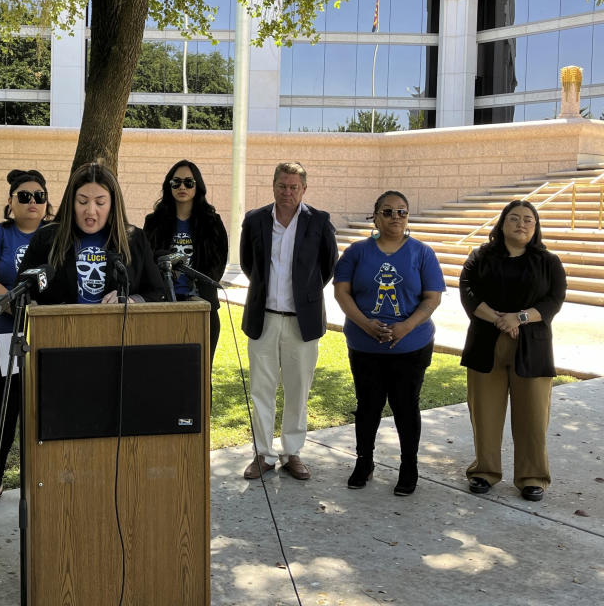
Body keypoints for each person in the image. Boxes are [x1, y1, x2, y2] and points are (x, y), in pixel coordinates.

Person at [333, 191, 445, 495]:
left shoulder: (422, 253)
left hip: (411, 346)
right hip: (364, 344)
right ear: (375, 216)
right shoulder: (356, 252)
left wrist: (405, 327)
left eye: (402, 212)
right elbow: (342, 292)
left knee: (406, 406)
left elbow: (432, 298)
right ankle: (364, 461)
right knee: (367, 406)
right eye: (388, 211)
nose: (395, 217)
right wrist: (366, 324)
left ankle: (409, 466)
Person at [459, 200, 566, 502]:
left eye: (528, 220)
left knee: (533, 415)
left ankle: (533, 477)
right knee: (485, 413)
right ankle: (484, 471)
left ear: (535, 227)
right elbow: (467, 291)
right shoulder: (480, 257)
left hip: (532, 347)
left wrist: (518, 318)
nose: (521, 224)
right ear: (503, 223)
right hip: (485, 345)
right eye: (515, 218)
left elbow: (553, 300)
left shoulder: (549, 261)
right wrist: (499, 320)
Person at [240, 162, 338, 481]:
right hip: (263, 318)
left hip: (302, 322)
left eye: (294, 187)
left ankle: (292, 452)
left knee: (298, 390)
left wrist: (304, 294)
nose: (287, 192)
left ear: (304, 189)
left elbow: (327, 266)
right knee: (261, 390)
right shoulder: (255, 220)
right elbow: (247, 263)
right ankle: (264, 454)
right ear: (273, 186)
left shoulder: (320, 222)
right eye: (282, 186)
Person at [0, 169, 52, 510]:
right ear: (10, 202)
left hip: (50, 333)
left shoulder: (56, 235)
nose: (32, 202)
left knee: (48, 406)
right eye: (24, 196)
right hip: (8, 332)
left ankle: (46, 477)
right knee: (7, 405)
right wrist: (17, 303)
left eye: (38, 196)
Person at [20, 162, 164, 304]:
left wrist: (130, 300)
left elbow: (157, 292)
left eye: (100, 203)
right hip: (62, 327)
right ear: (71, 203)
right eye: (82, 202)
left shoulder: (134, 239)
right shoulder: (46, 238)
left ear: (113, 205)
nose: (90, 210)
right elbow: (21, 292)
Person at [143, 160, 228, 365]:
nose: (182, 187)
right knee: (165, 371)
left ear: (197, 186)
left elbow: (218, 264)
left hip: (201, 307)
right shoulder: (153, 222)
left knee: (200, 373)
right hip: (164, 308)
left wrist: (196, 294)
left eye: (189, 182)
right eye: (176, 182)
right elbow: (147, 262)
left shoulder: (211, 222)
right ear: (169, 186)